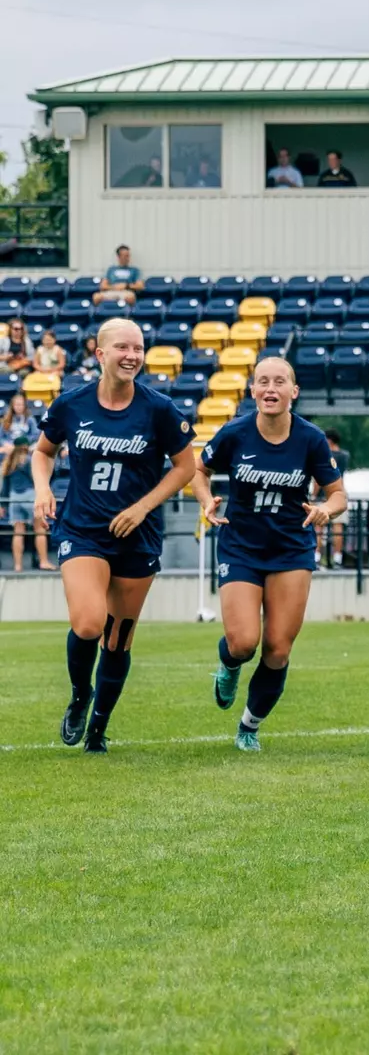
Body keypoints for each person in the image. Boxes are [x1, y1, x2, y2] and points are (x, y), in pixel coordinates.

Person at [32, 319, 196, 753]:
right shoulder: (72, 404)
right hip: (83, 529)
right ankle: (80, 696)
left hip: (137, 535)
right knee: (87, 623)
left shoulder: (159, 408)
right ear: (100, 354)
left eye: (139, 348)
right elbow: (43, 451)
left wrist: (142, 506)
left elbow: (185, 468)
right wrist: (43, 488)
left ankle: (98, 730)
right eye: (122, 347)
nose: (132, 355)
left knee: (119, 637)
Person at [193, 358, 345, 752]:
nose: (271, 388)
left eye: (280, 382)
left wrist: (326, 510)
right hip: (241, 546)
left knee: (277, 648)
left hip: (291, 549)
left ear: (294, 392)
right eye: (263, 381)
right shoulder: (234, 433)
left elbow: (338, 494)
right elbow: (198, 470)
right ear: (253, 391)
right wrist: (207, 501)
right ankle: (228, 665)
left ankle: (249, 726)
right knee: (244, 643)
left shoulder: (310, 438)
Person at [2, 393, 51, 572]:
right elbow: (38, 480)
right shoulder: (30, 461)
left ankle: (17, 566)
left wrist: (2, 503)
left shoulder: (9, 463)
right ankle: (44, 561)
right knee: (39, 530)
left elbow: (4, 485)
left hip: (14, 498)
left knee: (18, 532)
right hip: (31, 496)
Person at [313, 430, 350, 568]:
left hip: (323, 496)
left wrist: (313, 495)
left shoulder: (323, 455)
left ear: (329, 441)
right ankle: (338, 558)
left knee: (318, 528)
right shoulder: (345, 456)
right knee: (338, 528)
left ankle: (316, 557)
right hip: (339, 494)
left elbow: (317, 480)